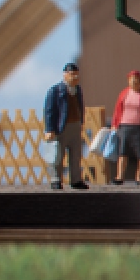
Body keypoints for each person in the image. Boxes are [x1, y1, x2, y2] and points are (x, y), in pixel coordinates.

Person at [43, 62, 89, 190]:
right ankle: (56, 179)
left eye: (76, 75)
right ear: (65, 75)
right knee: (58, 154)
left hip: (75, 126)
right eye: (72, 74)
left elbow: (80, 106)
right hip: (61, 127)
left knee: (76, 155)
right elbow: (49, 111)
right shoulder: (55, 91)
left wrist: (81, 122)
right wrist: (50, 129)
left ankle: (76, 179)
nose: (75, 77)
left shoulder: (78, 90)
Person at [110, 70, 140, 184]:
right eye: (131, 80)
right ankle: (119, 176)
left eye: (136, 80)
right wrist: (115, 124)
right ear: (128, 81)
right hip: (125, 126)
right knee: (123, 152)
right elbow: (118, 109)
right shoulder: (124, 93)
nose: (134, 82)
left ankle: (138, 177)